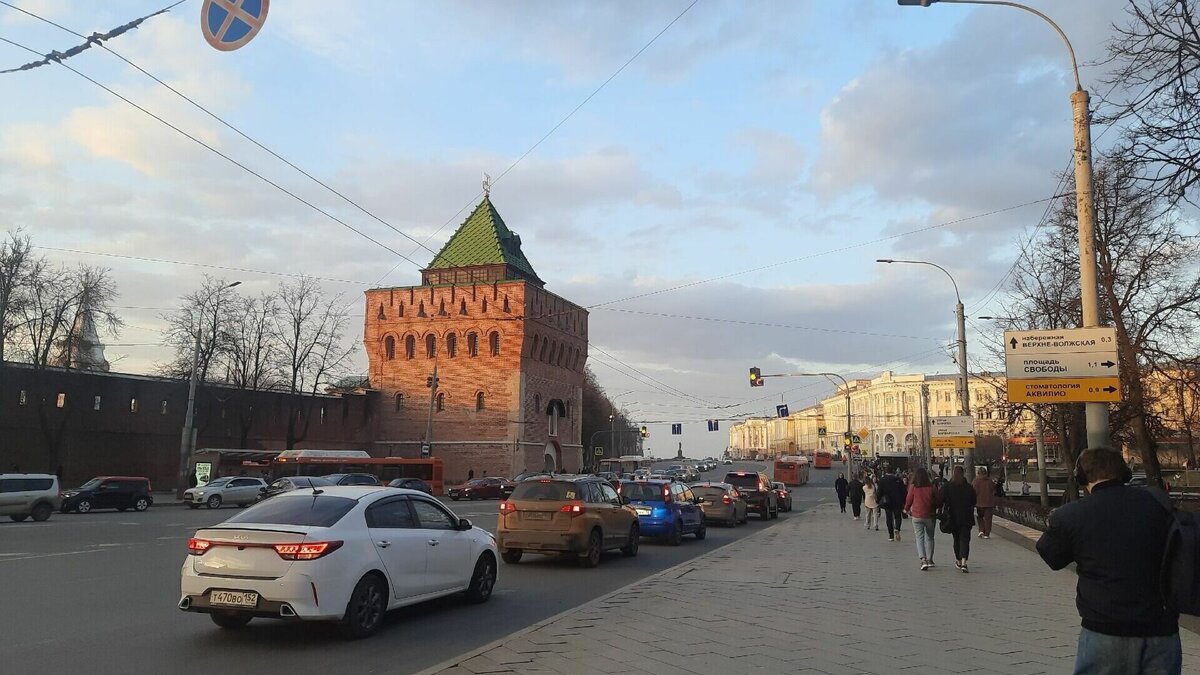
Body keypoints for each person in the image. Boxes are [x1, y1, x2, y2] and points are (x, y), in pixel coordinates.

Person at [1036, 447, 1181, 675]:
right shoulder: (1159, 505)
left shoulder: (1072, 514)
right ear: (1124, 473)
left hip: (1106, 630)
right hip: (1162, 630)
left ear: (1082, 477)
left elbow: (1052, 557)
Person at [941, 465, 976, 573]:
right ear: (963, 473)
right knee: (965, 539)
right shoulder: (969, 487)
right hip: (966, 518)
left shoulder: (947, 486)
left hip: (953, 518)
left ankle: (958, 560)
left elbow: (940, 499)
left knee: (956, 539)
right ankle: (964, 562)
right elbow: (974, 501)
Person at [904, 467, 938, 570]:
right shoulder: (931, 487)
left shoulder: (913, 487)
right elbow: (937, 500)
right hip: (929, 516)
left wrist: (906, 509)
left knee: (919, 538)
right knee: (930, 538)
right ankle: (930, 559)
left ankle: (923, 560)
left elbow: (909, 500)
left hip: (917, 515)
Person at [877, 468, 907, 542]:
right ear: (893, 472)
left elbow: (879, 491)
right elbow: (903, 491)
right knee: (898, 516)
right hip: (897, 501)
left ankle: (891, 535)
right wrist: (904, 502)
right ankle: (897, 528)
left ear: (885, 472)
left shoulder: (882, 480)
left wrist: (878, 501)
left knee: (889, 518)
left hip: (887, 501)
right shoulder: (898, 480)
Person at [972, 466, 997, 539]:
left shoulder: (975, 481)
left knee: (980, 517)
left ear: (978, 473)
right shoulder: (990, 481)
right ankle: (987, 534)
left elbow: (973, 492)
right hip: (989, 503)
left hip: (979, 503)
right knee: (988, 519)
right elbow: (993, 490)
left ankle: (981, 530)